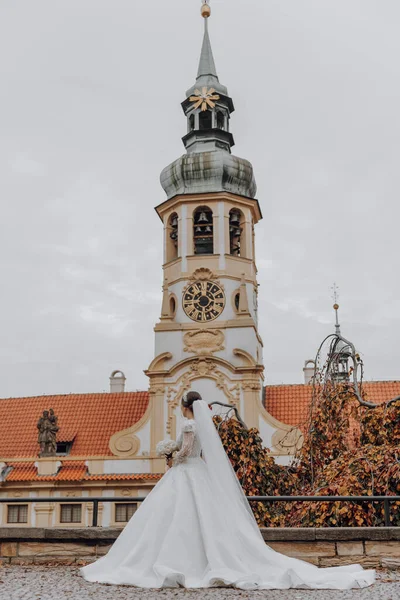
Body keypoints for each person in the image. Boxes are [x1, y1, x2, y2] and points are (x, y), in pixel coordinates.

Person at [80, 391, 375, 590]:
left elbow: (185, 451)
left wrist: (171, 456)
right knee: (205, 519)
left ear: (185, 407)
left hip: (185, 473)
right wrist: (185, 458)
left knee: (172, 519)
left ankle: (172, 561)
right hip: (200, 474)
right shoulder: (203, 426)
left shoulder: (187, 425)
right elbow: (204, 455)